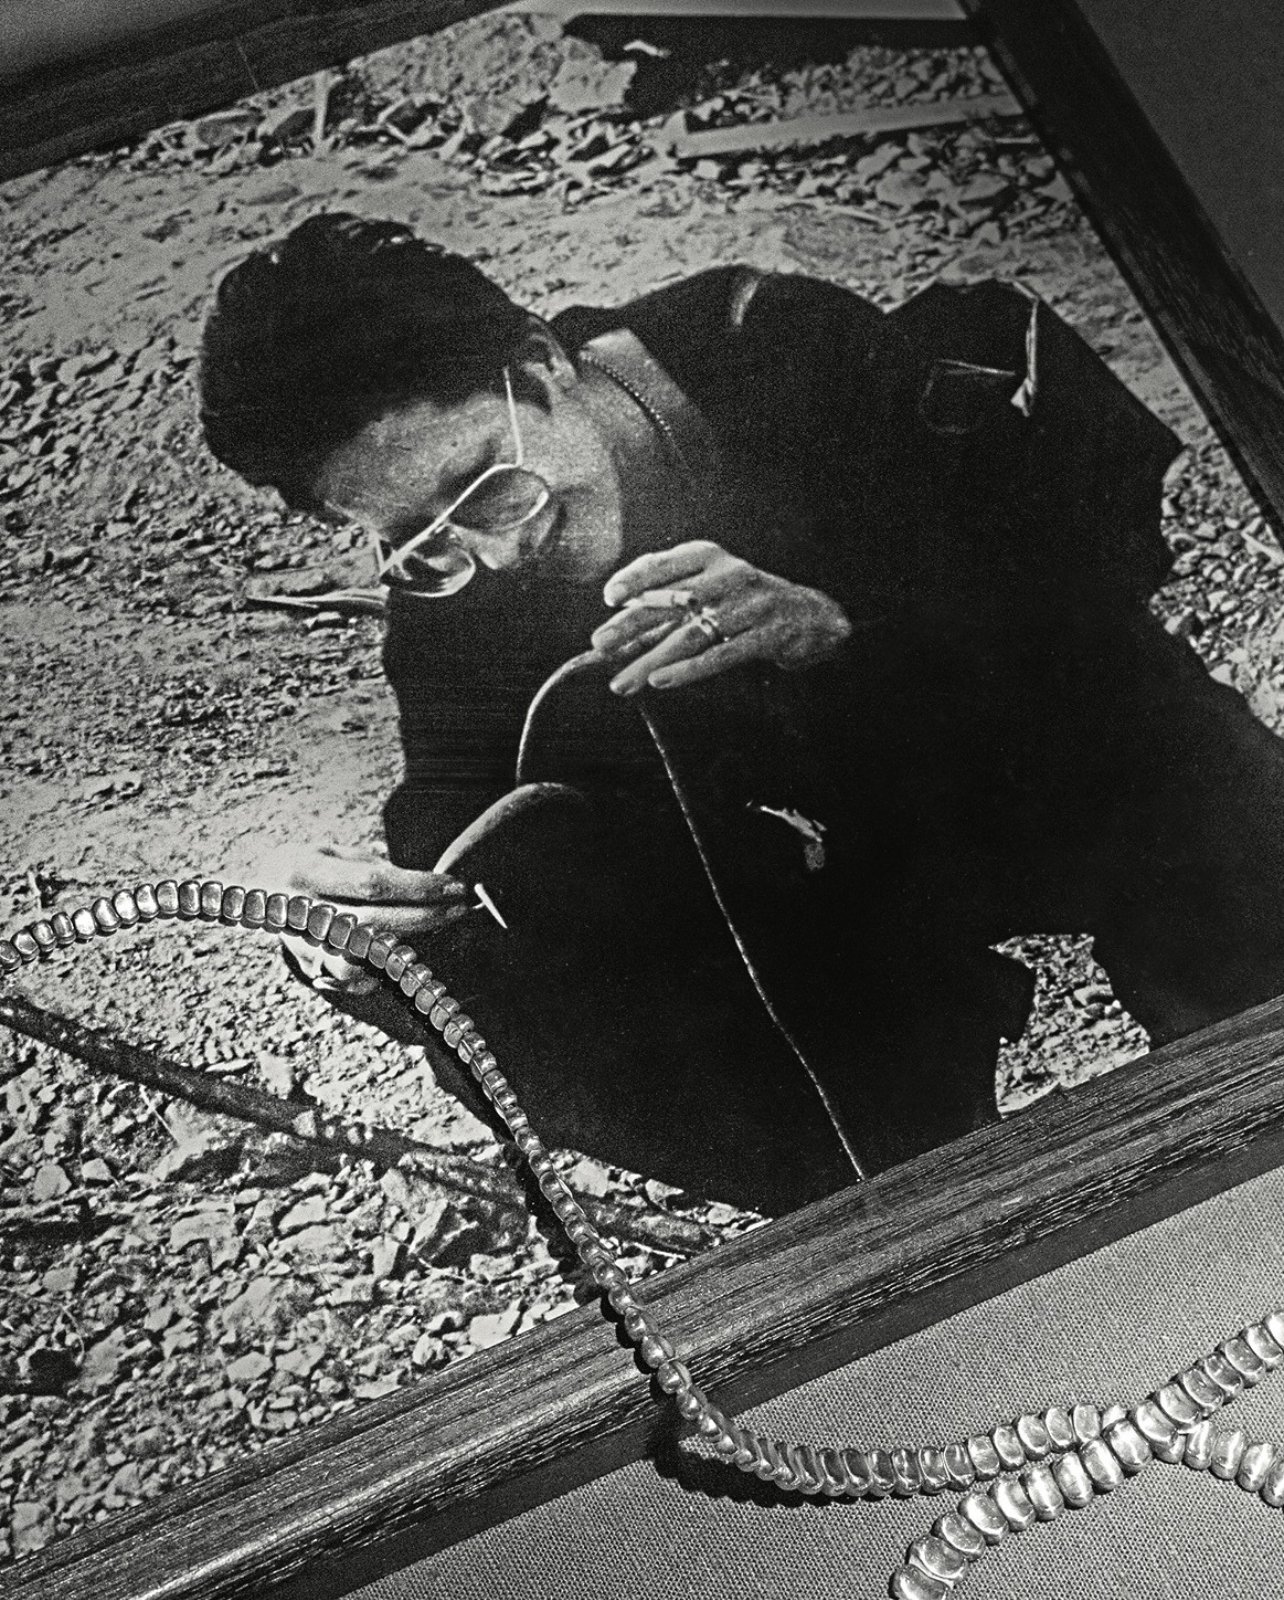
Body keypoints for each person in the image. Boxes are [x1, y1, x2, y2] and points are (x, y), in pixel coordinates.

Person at [198, 212, 1284, 1213]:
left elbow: (1080, 589)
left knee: (1198, 813)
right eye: (420, 537)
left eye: (486, 484)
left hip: (1018, 747)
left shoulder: (779, 348)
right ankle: (898, 1206)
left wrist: (840, 619)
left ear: (541, 367)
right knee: (513, 976)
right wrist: (363, 935)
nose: (493, 549)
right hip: (824, 875)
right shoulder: (453, 593)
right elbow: (465, 823)